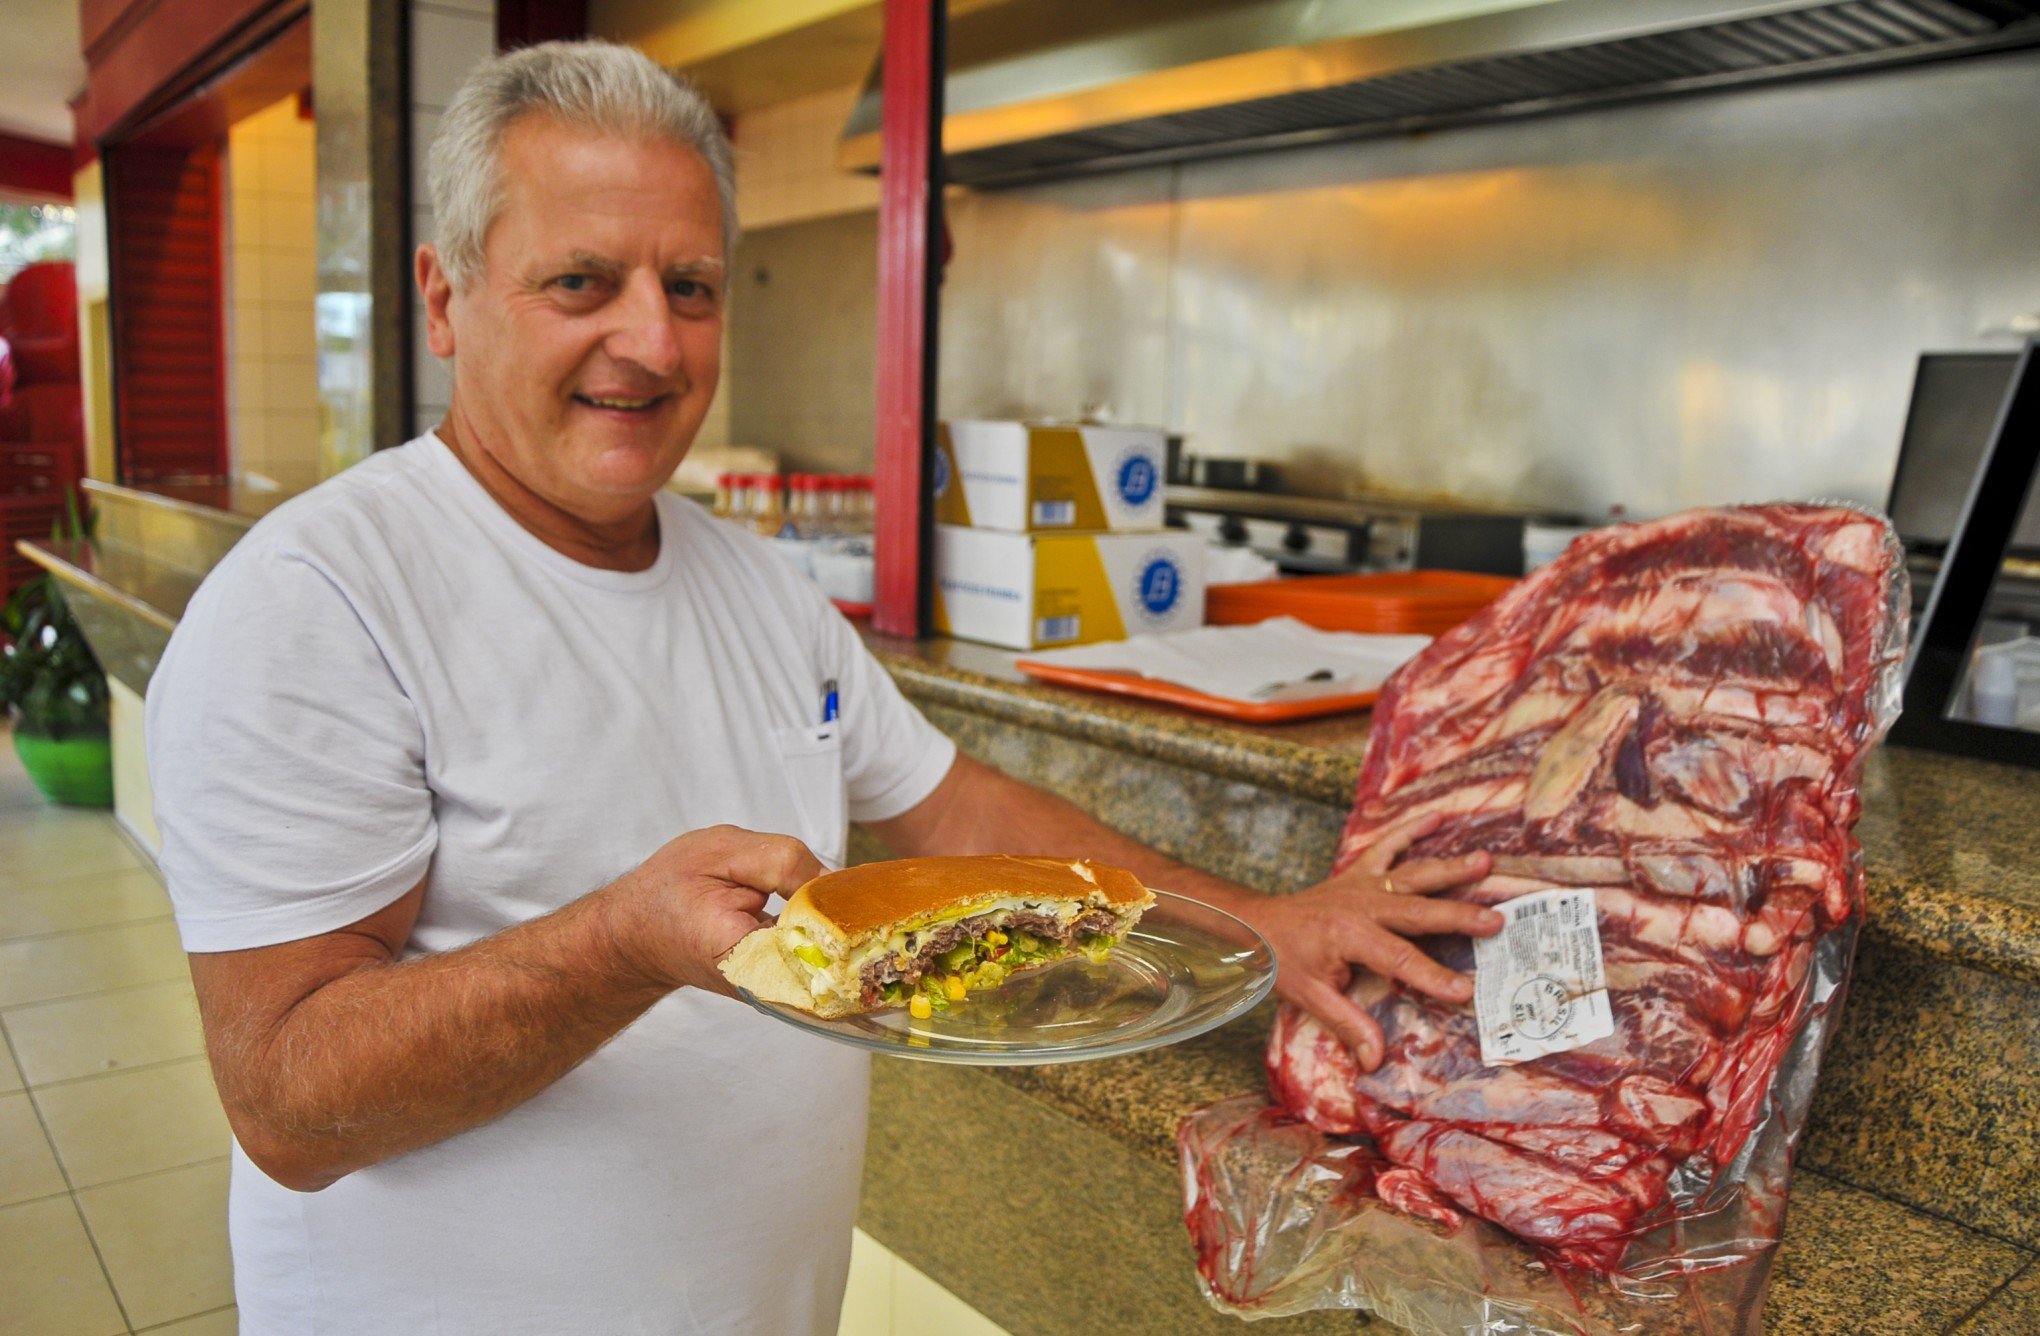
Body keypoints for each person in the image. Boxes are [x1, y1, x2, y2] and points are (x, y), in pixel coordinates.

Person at [144, 40, 1500, 1335]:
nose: (653, 344)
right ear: (445, 300)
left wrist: (1262, 921)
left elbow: (954, 814)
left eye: (690, 287)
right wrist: (620, 944)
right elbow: (291, 1103)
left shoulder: (758, 587)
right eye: (581, 284)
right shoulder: (320, 603)